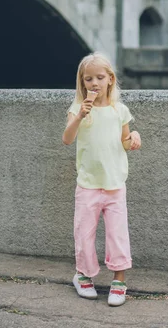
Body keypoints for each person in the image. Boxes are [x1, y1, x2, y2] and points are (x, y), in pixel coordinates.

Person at [62, 52, 141, 307]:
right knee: (84, 232)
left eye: (99, 77)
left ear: (110, 79)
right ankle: (83, 275)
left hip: (115, 184)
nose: (94, 83)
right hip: (88, 184)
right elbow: (67, 139)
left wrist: (134, 139)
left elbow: (125, 143)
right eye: (88, 79)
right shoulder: (78, 109)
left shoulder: (120, 110)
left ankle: (119, 278)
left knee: (117, 233)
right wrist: (79, 117)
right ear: (82, 83)